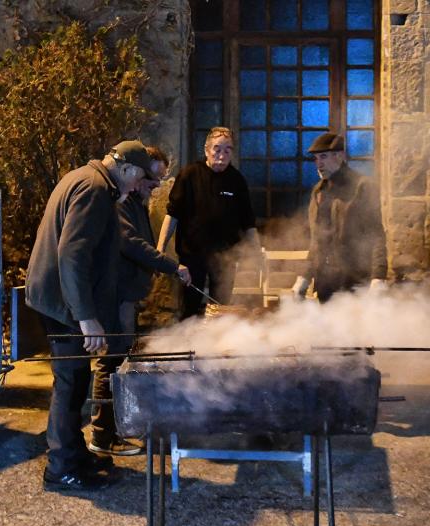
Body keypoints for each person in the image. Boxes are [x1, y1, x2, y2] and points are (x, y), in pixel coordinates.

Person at [25, 140, 156, 491]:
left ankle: (74, 451)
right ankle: (61, 469)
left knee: (77, 379)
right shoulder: (96, 189)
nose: (136, 188)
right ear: (126, 168)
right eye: (138, 179)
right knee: (70, 385)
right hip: (63, 305)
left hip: (59, 299)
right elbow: (72, 255)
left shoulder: (86, 178)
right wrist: (86, 317)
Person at [89, 146, 190, 457]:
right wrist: (171, 265)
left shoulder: (135, 200)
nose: (155, 185)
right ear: (134, 172)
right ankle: (103, 435)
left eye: (159, 178)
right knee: (113, 360)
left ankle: (112, 429)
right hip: (116, 293)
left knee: (118, 358)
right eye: (151, 177)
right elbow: (130, 243)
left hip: (126, 293)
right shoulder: (120, 201)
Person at [157, 126, 260, 318]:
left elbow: (249, 222)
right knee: (190, 309)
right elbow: (172, 214)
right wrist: (160, 249)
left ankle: (218, 347)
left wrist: (256, 253)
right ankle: (188, 345)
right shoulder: (189, 174)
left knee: (222, 310)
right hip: (192, 257)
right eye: (217, 149)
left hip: (225, 258)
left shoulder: (237, 180)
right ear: (207, 150)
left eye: (228, 149)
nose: (222, 155)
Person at [292, 133, 387, 302]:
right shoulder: (318, 192)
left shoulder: (362, 186)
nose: (318, 164)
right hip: (326, 282)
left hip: (355, 279)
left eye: (323, 157)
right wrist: (304, 276)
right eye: (316, 158)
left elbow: (376, 235)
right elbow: (317, 240)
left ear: (340, 156)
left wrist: (378, 276)